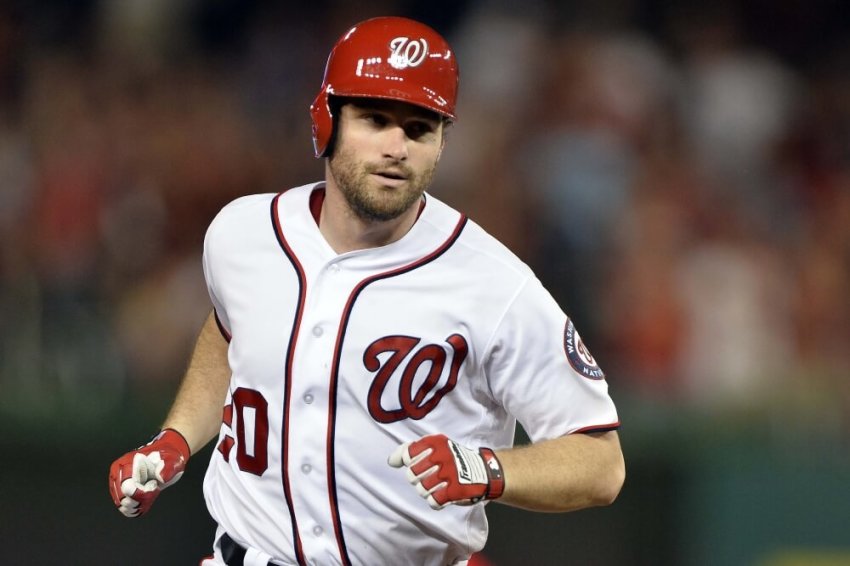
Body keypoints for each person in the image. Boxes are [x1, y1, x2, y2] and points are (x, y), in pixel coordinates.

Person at [108, 16, 625, 566]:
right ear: (326, 120)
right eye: (375, 119)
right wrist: (178, 437)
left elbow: (601, 464)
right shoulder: (242, 234)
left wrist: (490, 469)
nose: (397, 146)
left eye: (420, 128)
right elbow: (230, 330)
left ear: (442, 143)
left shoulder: (495, 285)